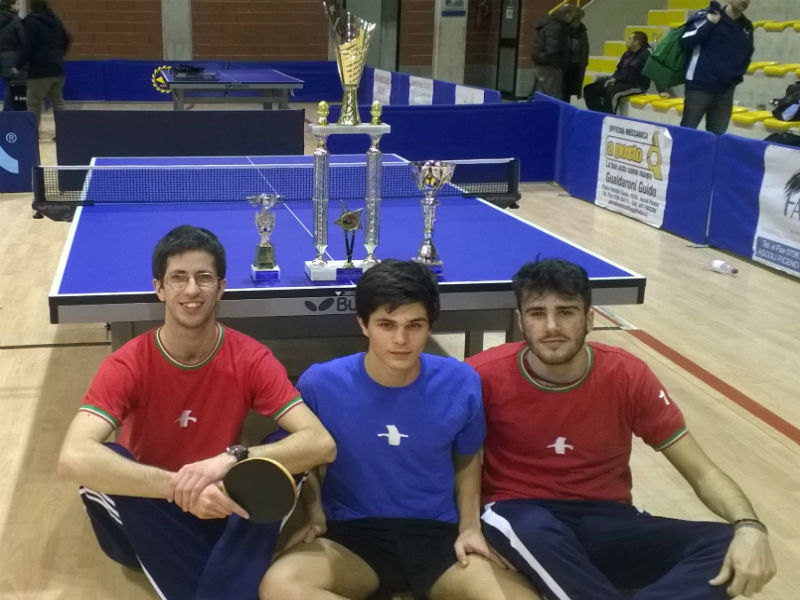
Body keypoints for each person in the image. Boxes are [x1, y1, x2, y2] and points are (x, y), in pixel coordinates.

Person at [466, 258, 777, 599]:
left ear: (590, 319)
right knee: (531, 528)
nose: (552, 326)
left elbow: (703, 473)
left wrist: (750, 526)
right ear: (521, 322)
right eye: (537, 313)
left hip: (609, 520)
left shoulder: (628, 375)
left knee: (728, 544)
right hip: (521, 514)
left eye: (566, 312)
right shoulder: (482, 375)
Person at [58, 225, 337, 600]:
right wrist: (180, 489)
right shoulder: (127, 365)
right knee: (105, 458)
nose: (191, 290)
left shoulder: (251, 358)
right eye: (179, 278)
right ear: (159, 288)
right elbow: (73, 457)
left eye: (204, 278)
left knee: (281, 447)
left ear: (221, 288)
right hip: (149, 509)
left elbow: (320, 443)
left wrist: (231, 460)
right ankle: (231, 575)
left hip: (223, 503)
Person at [260, 259, 539, 600]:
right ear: (363, 324)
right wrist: (315, 513)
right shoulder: (320, 383)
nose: (401, 339)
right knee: (280, 586)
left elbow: (467, 459)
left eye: (414, 325)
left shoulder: (461, 381)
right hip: (351, 537)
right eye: (386, 324)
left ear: (430, 325)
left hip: (438, 536)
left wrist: (470, 528)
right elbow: (306, 457)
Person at [680, 0, 754, 134]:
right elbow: (686, 41)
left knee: (718, 137)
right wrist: (709, 23)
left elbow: (747, 54)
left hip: (725, 91)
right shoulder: (710, 16)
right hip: (699, 87)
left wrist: (735, 79)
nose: (744, 1)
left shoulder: (747, 26)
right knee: (687, 133)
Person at [14, 0, 70, 131]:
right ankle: (64, 134)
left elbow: (28, 47)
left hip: (39, 71)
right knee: (59, 104)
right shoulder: (55, 19)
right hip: (57, 69)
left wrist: (18, 65)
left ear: (31, 7)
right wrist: (59, 55)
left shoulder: (31, 22)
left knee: (33, 104)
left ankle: (33, 134)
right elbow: (67, 39)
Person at [583, 31, 651, 114]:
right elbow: (619, 69)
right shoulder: (627, 53)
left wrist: (617, 79)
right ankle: (598, 114)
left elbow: (633, 74)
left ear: (636, 42)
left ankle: (609, 117)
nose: (626, 40)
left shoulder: (645, 55)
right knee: (590, 88)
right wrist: (614, 78)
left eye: (629, 39)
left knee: (613, 91)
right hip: (622, 82)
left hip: (637, 86)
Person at [530, 3, 577, 101]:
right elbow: (552, 49)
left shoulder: (550, 23)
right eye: (572, 16)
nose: (572, 19)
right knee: (553, 95)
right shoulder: (556, 26)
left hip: (543, 62)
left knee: (542, 93)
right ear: (567, 15)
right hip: (550, 65)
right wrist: (558, 65)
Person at [0, 0, 23, 111]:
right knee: (12, 86)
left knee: (7, 85)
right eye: (17, 4)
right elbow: (24, 40)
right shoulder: (15, 20)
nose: (20, 6)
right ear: (11, 5)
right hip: (12, 58)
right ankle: (7, 114)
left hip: (2, 58)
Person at [562, 8, 589, 102]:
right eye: (577, 19)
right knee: (562, 92)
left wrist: (585, 61)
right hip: (564, 66)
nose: (579, 22)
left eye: (580, 19)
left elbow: (585, 47)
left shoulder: (582, 31)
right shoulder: (562, 30)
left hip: (577, 65)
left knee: (572, 91)